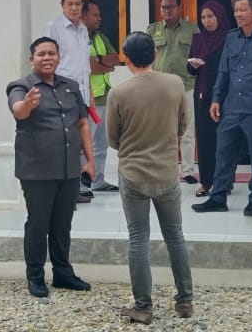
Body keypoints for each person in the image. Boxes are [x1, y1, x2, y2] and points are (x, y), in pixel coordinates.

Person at [106, 31, 195, 324]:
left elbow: (113, 139)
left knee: (138, 239)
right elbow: (182, 125)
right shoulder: (175, 83)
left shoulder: (119, 93)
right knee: (175, 236)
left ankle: (143, 306)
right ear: (155, 54)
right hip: (167, 171)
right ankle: (185, 300)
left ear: (126, 59)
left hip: (133, 172)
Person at [6, 37, 97, 298]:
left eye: (52, 53)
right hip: (37, 171)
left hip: (68, 169)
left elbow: (82, 123)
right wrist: (28, 104)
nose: (47, 58)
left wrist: (90, 161)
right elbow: (18, 111)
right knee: (38, 223)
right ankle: (35, 275)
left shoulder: (70, 86)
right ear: (31, 59)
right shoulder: (21, 86)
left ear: (59, 57)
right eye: (41, 54)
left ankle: (63, 273)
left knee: (62, 223)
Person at [192, 0, 252, 217]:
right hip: (231, 107)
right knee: (223, 153)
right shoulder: (231, 38)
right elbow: (223, 72)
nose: (238, 14)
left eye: (243, 10)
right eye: (236, 11)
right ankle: (218, 197)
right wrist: (216, 99)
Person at [43, 0, 94, 202]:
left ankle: (77, 187)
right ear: (62, 5)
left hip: (81, 94)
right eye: (70, 4)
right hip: (62, 94)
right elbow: (46, 60)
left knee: (79, 142)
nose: (74, 8)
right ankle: (66, 190)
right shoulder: (53, 27)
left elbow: (84, 66)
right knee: (65, 142)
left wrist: (90, 95)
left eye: (78, 4)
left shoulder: (83, 29)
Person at [147, 0, 200, 185]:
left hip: (186, 85)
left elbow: (198, 54)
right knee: (162, 130)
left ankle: (187, 170)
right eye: (163, 7)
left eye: (170, 7)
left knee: (187, 130)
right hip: (160, 88)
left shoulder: (191, 30)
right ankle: (164, 169)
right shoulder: (152, 30)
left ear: (178, 8)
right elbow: (146, 58)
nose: (166, 10)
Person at [186, 0, 232, 198]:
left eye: (211, 16)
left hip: (225, 94)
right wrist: (193, 66)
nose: (207, 21)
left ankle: (225, 182)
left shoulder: (230, 38)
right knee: (205, 139)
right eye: (203, 17)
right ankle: (206, 182)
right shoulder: (198, 39)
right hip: (203, 95)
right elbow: (190, 69)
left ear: (219, 16)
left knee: (225, 139)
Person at [84, 0, 119, 192]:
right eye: (95, 14)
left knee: (101, 143)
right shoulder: (79, 38)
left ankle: (98, 180)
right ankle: (82, 184)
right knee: (85, 143)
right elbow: (89, 66)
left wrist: (99, 61)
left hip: (104, 96)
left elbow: (115, 59)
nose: (99, 18)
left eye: (99, 15)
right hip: (88, 99)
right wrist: (102, 64)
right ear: (83, 16)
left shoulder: (100, 37)